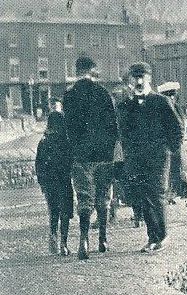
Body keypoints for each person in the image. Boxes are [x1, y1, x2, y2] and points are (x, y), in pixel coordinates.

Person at [119, 62, 183, 253]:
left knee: (157, 195)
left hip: (158, 158)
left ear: (149, 79)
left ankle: (162, 236)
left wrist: (169, 150)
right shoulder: (127, 105)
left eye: (142, 77)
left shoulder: (161, 101)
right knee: (142, 197)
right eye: (135, 77)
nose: (139, 81)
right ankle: (151, 237)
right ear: (131, 80)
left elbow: (177, 128)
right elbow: (123, 131)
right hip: (136, 159)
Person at [62, 56, 119, 260]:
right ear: (93, 70)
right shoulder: (104, 93)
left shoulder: (68, 96)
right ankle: (103, 239)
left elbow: (67, 129)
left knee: (84, 197)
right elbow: (114, 126)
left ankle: (83, 240)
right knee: (103, 196)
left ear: (77, 71)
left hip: (81, 156)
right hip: (104, 155)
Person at [35, 97, 74, 256]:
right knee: (65, 213)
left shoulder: (43, 142)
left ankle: (53, 238)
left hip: (50, 183)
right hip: (64, 182)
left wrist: (42, 184)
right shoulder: (66, 141)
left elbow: (38, 165)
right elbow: (72, 161)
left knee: (54, 212)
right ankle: (63, 243)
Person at [156, 81, 187, 201]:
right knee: (169, 170)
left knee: (175, 168)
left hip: (174, 144)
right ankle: (171, 193)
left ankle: (174, 193)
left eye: (172, 96)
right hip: (165, 143)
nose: (172, 98)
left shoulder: (176, 108)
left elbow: (181, 126)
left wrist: (177, 142)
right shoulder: (163, 108)